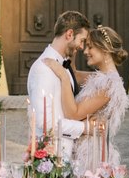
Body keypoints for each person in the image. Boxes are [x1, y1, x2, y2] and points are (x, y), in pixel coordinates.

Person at [43, 25, 129, 175]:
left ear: (105, 49)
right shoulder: (100, 78)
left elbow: (74, 114)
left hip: (92, 156)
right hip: (84, 148)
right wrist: (73, 46)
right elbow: (74, 74)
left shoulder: (109, 85)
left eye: (90, 47)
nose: (86, 51)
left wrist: (63, 76)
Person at [26, 11, 90, 161]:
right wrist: (85, 128)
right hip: (51, 160)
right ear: (69, 34)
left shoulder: (62, 66)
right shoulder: (43, 69)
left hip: (64, 157)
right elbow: (45, 123)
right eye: (81, 40)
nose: (81, 47)